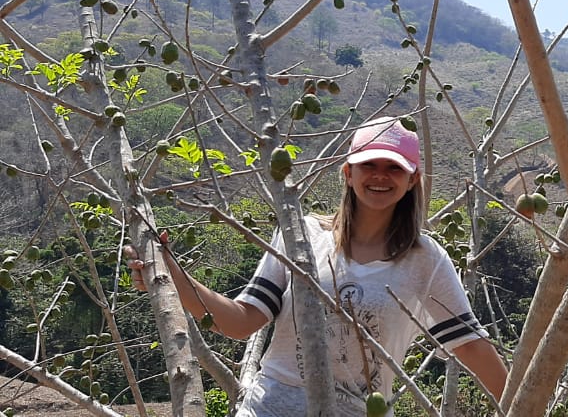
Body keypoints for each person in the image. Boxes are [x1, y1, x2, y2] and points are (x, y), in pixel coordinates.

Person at [127, 116, 507, 415]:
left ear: (412, 180)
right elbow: (241, 321)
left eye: (393, 168)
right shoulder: (303, 235)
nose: (379, 176)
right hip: (269, 410)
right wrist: (173, 276)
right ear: (348, 173)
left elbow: (471, 347)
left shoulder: (426, 260)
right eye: (367, 165)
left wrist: (528, 405)